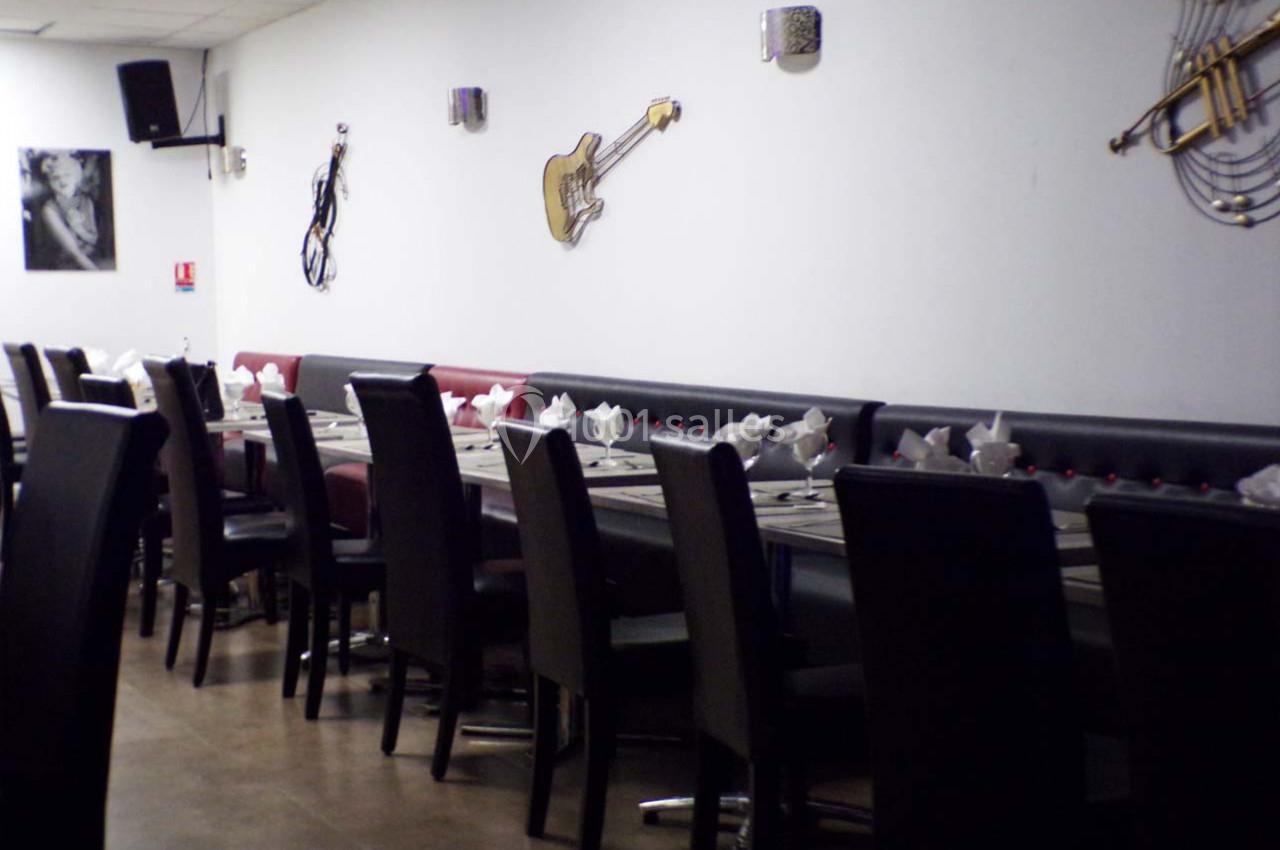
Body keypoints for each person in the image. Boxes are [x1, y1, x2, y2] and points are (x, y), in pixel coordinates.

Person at [20, 149, 115, 271]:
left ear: (76, 177)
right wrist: (98, 274)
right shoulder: (49, 210)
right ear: (49, 182)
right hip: (67, 265)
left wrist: (78, 228)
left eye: (67, 175)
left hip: (93, 258)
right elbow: (74, 253)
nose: (62, 181)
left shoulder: (86, 200)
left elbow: (94, 239)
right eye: (56, 177)